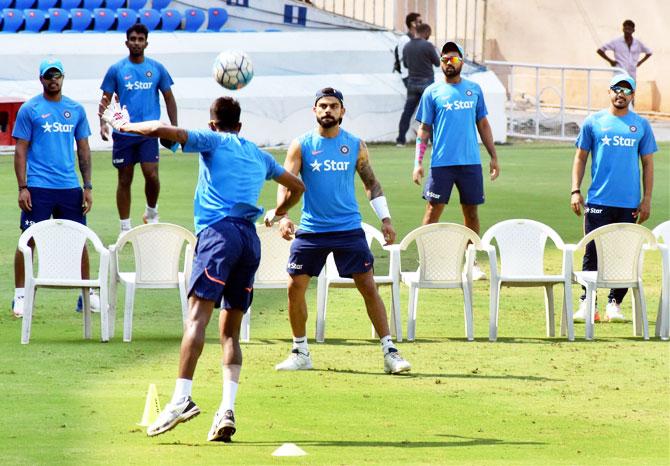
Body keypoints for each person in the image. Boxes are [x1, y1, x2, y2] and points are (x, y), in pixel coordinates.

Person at [101, 95, 304, 442]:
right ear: (240, 126)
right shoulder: (258, 153)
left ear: (213, 124)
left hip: (218, 237)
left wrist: (124, 125)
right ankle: (227, 409)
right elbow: (297, 186)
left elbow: (161, 130)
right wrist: (279, 212)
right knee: (230, 332)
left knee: (196, 319)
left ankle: (181, 398)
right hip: (248, 240)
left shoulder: (212, 139)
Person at [273, 87, 411, 375]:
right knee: (294, 286)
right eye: (322, 106)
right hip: (311, 230)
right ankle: (300, 351)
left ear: (342, 111)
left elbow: (371, 184)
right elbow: (286, 181)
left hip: (348, 228)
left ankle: (390, 352)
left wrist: (385, 219)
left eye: (333, 106)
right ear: (314, 111)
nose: (327, 111)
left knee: (368, 286)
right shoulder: (302, 145)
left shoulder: (355, 145)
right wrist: (283, 215)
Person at [11, 58, 98, 318]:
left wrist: (88, 186)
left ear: (62, 77)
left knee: (78, 240)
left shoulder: (76, 109)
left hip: (69, 187)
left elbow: (83, 149)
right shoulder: (30, 109)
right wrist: (22, 187)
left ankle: (87, 295)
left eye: (57, 75)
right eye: (48, 76)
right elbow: (20, 150)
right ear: (41, 79)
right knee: (28, 241)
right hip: (38, 187)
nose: (53, 80)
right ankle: (20, 297)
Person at [570, 74, 656, 322]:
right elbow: (580, 157)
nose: (621, 94)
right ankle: (588, 303)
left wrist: (647, 199)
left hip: (629, 202)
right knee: (592, 252)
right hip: (598, 201)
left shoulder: (640, 125)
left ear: (632, 95)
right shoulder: (594, 122)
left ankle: (614, 304)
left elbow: (648, 164)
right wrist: (575, 189)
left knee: (623, 254)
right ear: (609, 92)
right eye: (616, 89)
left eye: (626, 90)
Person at [412, 41, 500, 280]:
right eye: (444, 59)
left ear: (462, 61)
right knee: (432, 211)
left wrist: (493, 156)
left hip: (470, 163)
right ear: (440, 63)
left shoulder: (474, 89)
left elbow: (482, 123)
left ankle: (470, 263)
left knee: (471, 213)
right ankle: (426, 262)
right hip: (441, 163)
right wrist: (418, 162)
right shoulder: (433, 92)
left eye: (453, 59)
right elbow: (424, 129)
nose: (448, 63)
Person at [99, 23, 178, 234]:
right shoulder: (116, 69)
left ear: (146, 43)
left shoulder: (157, 68)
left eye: (140, 39)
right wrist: (102, 124)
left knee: (151, 174)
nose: (136, 42)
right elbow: (105, 99)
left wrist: (175, 127)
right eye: (133, 39)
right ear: (127, 42)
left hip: (150, 131)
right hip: (124, 132)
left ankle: (151, 212)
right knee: (124, 178)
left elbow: (169, 98)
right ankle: (125, 227)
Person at [396, 22, 440, 146]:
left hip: (412, 82)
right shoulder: (428, 46)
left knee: (407, 112)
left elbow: (405, 65)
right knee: (430, 112)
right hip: (426, 83)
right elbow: (437, 63)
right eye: (429, 35)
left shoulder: (407, 46)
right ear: (425, 33)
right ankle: (433, 141)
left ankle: (400, 140)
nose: (429, 37)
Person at [393, 12, 422, 89]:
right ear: (413, 24)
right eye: (420, 22)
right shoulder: (405, 40)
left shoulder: (414, 39)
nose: (421, 24)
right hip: (409, 76)